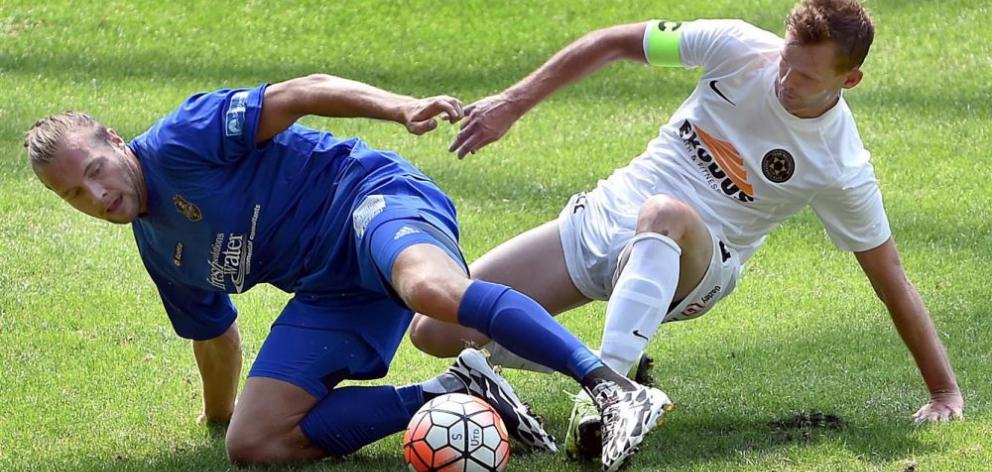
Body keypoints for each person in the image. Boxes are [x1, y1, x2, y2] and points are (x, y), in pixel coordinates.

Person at [24, 73, 671, 471]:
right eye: (75, 195)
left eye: (95, 170)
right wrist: (220, 417)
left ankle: (613, 389)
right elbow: (211, 333)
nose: (97, 195)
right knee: (256, 445)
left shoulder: (182, 139)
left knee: (431, 291)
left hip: (370, 199)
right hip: (332, 287)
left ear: (115, 141)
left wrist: (398, 108)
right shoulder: (160, 249)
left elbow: (301, 93)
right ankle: (463, 391)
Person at [407, 0, 964, 459]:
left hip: (698, 264)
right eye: (786, 63)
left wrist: (943, 391)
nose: (787, 80)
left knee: (664, 214)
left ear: (852, 78)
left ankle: (608, 400)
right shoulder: (736, 45)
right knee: (436, 329)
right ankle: (614, 376)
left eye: (808, 75)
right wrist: (512, 103)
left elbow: (888, 273)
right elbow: (614, 42)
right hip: (605, 219)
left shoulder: (839, 164)